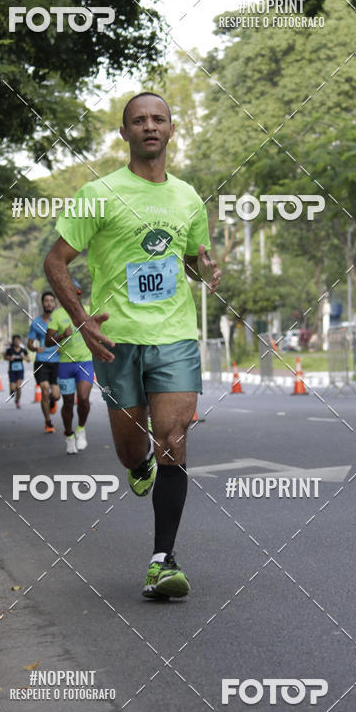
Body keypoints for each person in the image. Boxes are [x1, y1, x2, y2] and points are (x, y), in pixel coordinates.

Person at [44, 92, 221, 600]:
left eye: (158, 119)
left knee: (174, 437)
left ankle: (163, 561)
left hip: (174, 336)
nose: (149, 126)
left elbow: (189, 259)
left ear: (171, 130)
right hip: (116, 339)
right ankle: (137, 465)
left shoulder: (188, 198)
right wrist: (82, 321)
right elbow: (56, 262)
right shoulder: (98, 194)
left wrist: (201, 268)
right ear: (124, 134)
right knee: (131, 449)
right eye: (138, 120)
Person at [45, 280, 94, 453]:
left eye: (76, 293)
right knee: (67, 403)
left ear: (79, 294)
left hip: (85, 362)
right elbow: (47, 341)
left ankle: (81, 428)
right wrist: (61, 336)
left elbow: (99, 332)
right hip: (66, 363)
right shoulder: (58, 315)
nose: (73, 296)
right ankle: (68, 435)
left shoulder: (88, 311)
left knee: (83, 397)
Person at [27, 291, 60, 433]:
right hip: (41, 362)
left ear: (55, 304)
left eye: (52, 301)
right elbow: (29, 343)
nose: (49, 303)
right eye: (46, 301)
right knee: (45, 390)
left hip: (57, 361)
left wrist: (62, 347)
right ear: (42, 303)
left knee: (56, 395)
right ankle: (48, 422)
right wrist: (35, 348)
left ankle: (53, 401)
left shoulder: (59, 320)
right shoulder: (36, 323)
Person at [4, 334, 28, 408]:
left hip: (20, 370)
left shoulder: (23, 350)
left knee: (18, 387)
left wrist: (24, 357)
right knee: (13, 388)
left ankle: (17, 401)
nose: (17, 342)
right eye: (15, 340)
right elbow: (5, 357)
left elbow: (29, 359)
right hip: (12, 370)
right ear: (13, 341)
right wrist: (9, 358)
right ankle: (11, 391)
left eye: (18, 340)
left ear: (20, 341)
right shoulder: (10, 350)